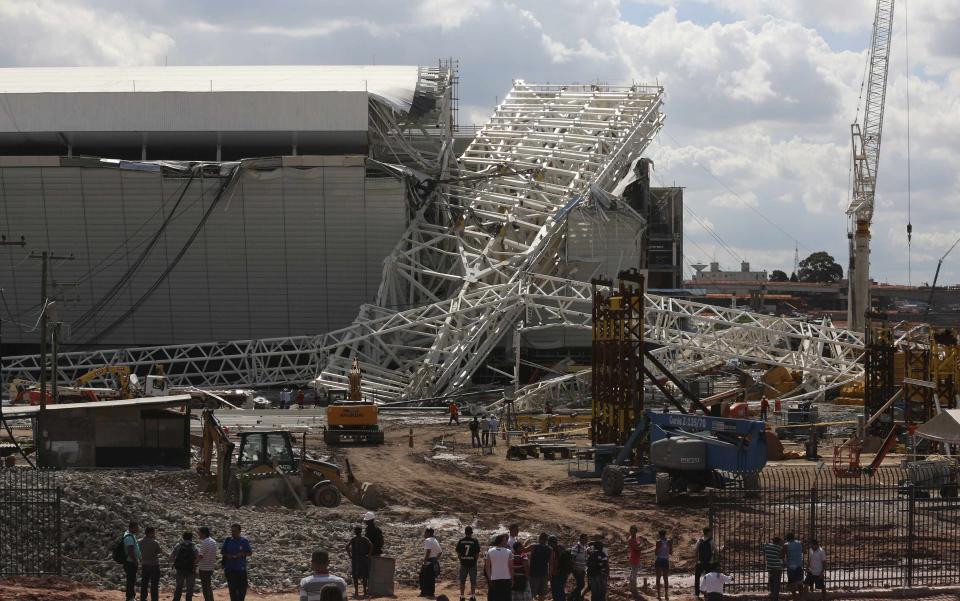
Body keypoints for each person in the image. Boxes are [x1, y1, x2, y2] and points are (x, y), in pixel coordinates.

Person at [221, 523, 253, 601]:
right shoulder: (228, 540)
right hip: (230, 568)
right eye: (232, 531)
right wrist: (227, 555)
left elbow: (250, 553)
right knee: (232, 590)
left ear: (239, 531)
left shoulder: (244, 541)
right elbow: (222, 551)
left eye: (234, 531)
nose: (233, 533)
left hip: (240, 569)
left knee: (242, 589)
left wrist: (242, 554)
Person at [484, 534, 514, 601]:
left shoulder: (489, 551)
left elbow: (487, 567)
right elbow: (511, 568)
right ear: (502, 541)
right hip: (506, 579)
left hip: (494, 579)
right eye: (506, 540)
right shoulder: (509, 552)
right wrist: (512, 579)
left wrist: (489, 578)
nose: (507, 542)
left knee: (494, 598)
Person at [170, 531, 199, 601]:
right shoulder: (193, 546)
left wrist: (176, 562)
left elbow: (171, 557)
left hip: (180, 569)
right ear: (191, 538)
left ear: (183, 537)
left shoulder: (178, 545)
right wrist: (194, 564)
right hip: (190, 570)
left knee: (179, 587)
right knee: (189, 589)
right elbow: (198, 557)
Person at [345, 526, 372, 598]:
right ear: (361, 531)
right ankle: (365, 592)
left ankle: (356, 592)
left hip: (355, 560)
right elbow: (371, 545)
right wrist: (368, 555)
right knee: (364, 576)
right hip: (363, 559)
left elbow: (347, 547)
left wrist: (350, 556)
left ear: (355, 532)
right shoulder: (364, 539)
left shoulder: (353, 539)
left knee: (355, 576)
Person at [456, 526, 481, 601]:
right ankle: (472, 596)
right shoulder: (474, 541)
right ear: (471, 533)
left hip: (463, 563)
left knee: (462, 580)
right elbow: (477, 553)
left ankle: (462, 596)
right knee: (473, 580)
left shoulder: (461, 540)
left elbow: (458, 552)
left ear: (465, 532)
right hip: (472, 563)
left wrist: (461, 560)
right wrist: (474, 561)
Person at [138, 526, 161, 601]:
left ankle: (143, 598)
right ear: (150, 533)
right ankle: (154, 599)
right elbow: (158, 551)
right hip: (154, 565)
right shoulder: (155, 542)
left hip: (144, 564)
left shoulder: (139, 542)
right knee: (154, 584)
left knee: (144, 583)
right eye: (154, 532)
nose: (154, 533)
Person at [527, 533, 553, 601]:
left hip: (533, 574)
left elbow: (522, 551)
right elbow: (551, 564)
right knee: (542, 594)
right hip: (544, 574)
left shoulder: (533, 546)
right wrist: (550, 575)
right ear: (547, 540)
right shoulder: (550, 549)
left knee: (531, 594)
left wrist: (525, 542)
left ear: (539, 539)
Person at [694, 528, 716, 599]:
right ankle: (707, 593)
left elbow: (696, 552)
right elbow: (716, 551)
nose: (711, 533)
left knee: (697, 578)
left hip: (700, 562)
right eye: (710, 532)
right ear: (708, 532)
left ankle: (697, 594)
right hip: (708, 563)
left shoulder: (699, 541)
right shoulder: (711, 541)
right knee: (708, 578)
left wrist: (696, 561)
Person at [420, 528, 442, 598]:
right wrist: (435, 559)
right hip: (434, 560)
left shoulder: (428, 540)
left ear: (428, 533)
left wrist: (424, 561)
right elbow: (440, 552)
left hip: (429, 560)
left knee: (423, 576)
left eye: (425, 532)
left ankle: (424, 593)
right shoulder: (435, 540)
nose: (424, 534)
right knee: (431, 578)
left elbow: (428, 551)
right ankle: (430, 593)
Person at [197, 527, 218, 601]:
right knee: (208, 586)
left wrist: (194, 563)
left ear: (203, 533)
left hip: (204, 568)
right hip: (210, 567)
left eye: (199, 533)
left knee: (205, 588)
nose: (198, 534)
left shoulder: (205, 542)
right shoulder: (213, 541)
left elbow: (200, 556)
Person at [122, 521, 141, 601]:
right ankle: (130, 597)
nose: (138, 529)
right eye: (136, 527)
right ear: (132, 528)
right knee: (131, 579)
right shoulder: (129, 537)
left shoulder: (130, 535)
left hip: (130, 561)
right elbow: (130, 550)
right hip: (130, 562)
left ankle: (130, 596)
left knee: (131, 579)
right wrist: (135, 560)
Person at [548, 535, 569, 601]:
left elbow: (552, 564)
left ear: (551, 542)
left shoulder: (553, 550)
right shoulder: (562, 548)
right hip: (564, 573)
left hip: (556, 574)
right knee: (561, 590)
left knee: (555, 592)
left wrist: (550, 575)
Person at [763, 535, 784, 601]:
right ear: (778, 542)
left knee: (772, 582)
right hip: (777, 567)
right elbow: (782, 557)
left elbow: (764, 545)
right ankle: (775, 598)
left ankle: (772, 595)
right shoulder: (779, 548)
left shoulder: (767, 546)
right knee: (777, 584)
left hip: (770, 567)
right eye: (780, 542)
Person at [783, 533, 803, 600]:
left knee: (792, 584)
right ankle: (801, 598)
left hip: (791, 567)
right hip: (799, 566)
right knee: (800, 583)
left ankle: (794, 598)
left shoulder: (786, 545)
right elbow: (805, 551)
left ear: (788, 538)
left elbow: (782, 555)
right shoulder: (800, 543)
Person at [654, 530, 672, 600]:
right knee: (665, 578)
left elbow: (656, 553)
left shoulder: (658, 542)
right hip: (666, 560)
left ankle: (659, 595)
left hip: (659, 560)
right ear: (665, 534)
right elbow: (671, 552)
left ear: (659, 534)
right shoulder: (669, 541)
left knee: (658, 578)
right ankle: (666, 595)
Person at [627, 526, 641, 598]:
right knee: (634, 574)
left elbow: (638, 546)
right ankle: (634, 589)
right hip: (634, 557)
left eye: (633, 531)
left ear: (636, 531)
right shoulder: (631, 539)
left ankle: (631, 588)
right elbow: (637, 548)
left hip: (636, 557)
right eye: (631, 531)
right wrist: (640, 546)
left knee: (633, 573)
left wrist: (639, 546)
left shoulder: (636, 538)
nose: (632, 532)